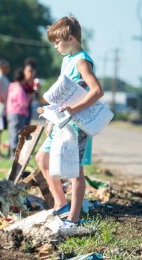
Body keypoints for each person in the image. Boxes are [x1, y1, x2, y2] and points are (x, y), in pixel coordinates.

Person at [35, 16, 104, 229]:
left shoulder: (82, 60)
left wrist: (74, 109)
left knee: (75, 170)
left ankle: (74, 219)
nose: (56, 46)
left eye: (58, 41)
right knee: (42, 158)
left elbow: (97, 90)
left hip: (77, 123)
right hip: (61, 122)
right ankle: (61, 204)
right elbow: (62, 93)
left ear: (71, 37)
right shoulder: (67, 59)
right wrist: (50, 120)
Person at [6, 69, 29, 154]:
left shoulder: (11, 86)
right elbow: (23, 103)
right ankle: (14, 152)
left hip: (10, 112)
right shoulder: (19, 89)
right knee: (17, 133)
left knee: (11, 132)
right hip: (18, 113)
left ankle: (10, 151)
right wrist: (29, 98)